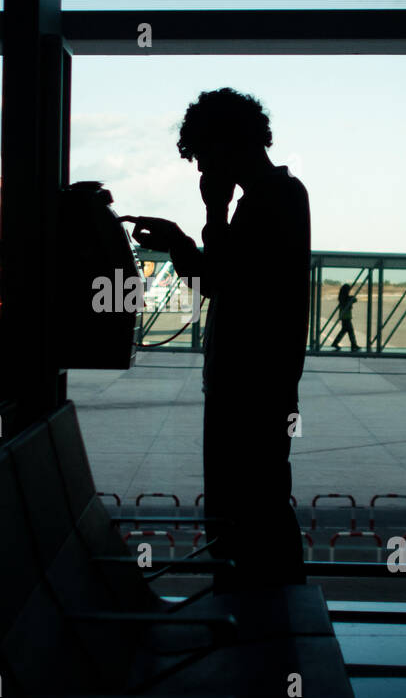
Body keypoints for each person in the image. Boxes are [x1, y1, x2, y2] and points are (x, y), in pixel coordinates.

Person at [126, 88, 309, 591]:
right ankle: (273, 621)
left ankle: (259, 617)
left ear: (228, 146)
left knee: (244, 509)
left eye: (205, 156)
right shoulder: (279, 197)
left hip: (248, 388)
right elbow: (222, 277)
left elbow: (223, 282)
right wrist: (185, 242)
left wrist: (212, 212)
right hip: (258, 385)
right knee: (260, 503)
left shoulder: (269, 201)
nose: (203, 168)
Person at [333, 283, 360, 351]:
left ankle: (336, 342)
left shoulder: (342, 298)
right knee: (350, 331)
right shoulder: (345, 298)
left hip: (345, 316)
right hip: (346, 317)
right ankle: (353, 344)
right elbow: (354, 300)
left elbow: (354, 300)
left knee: (345, 330)